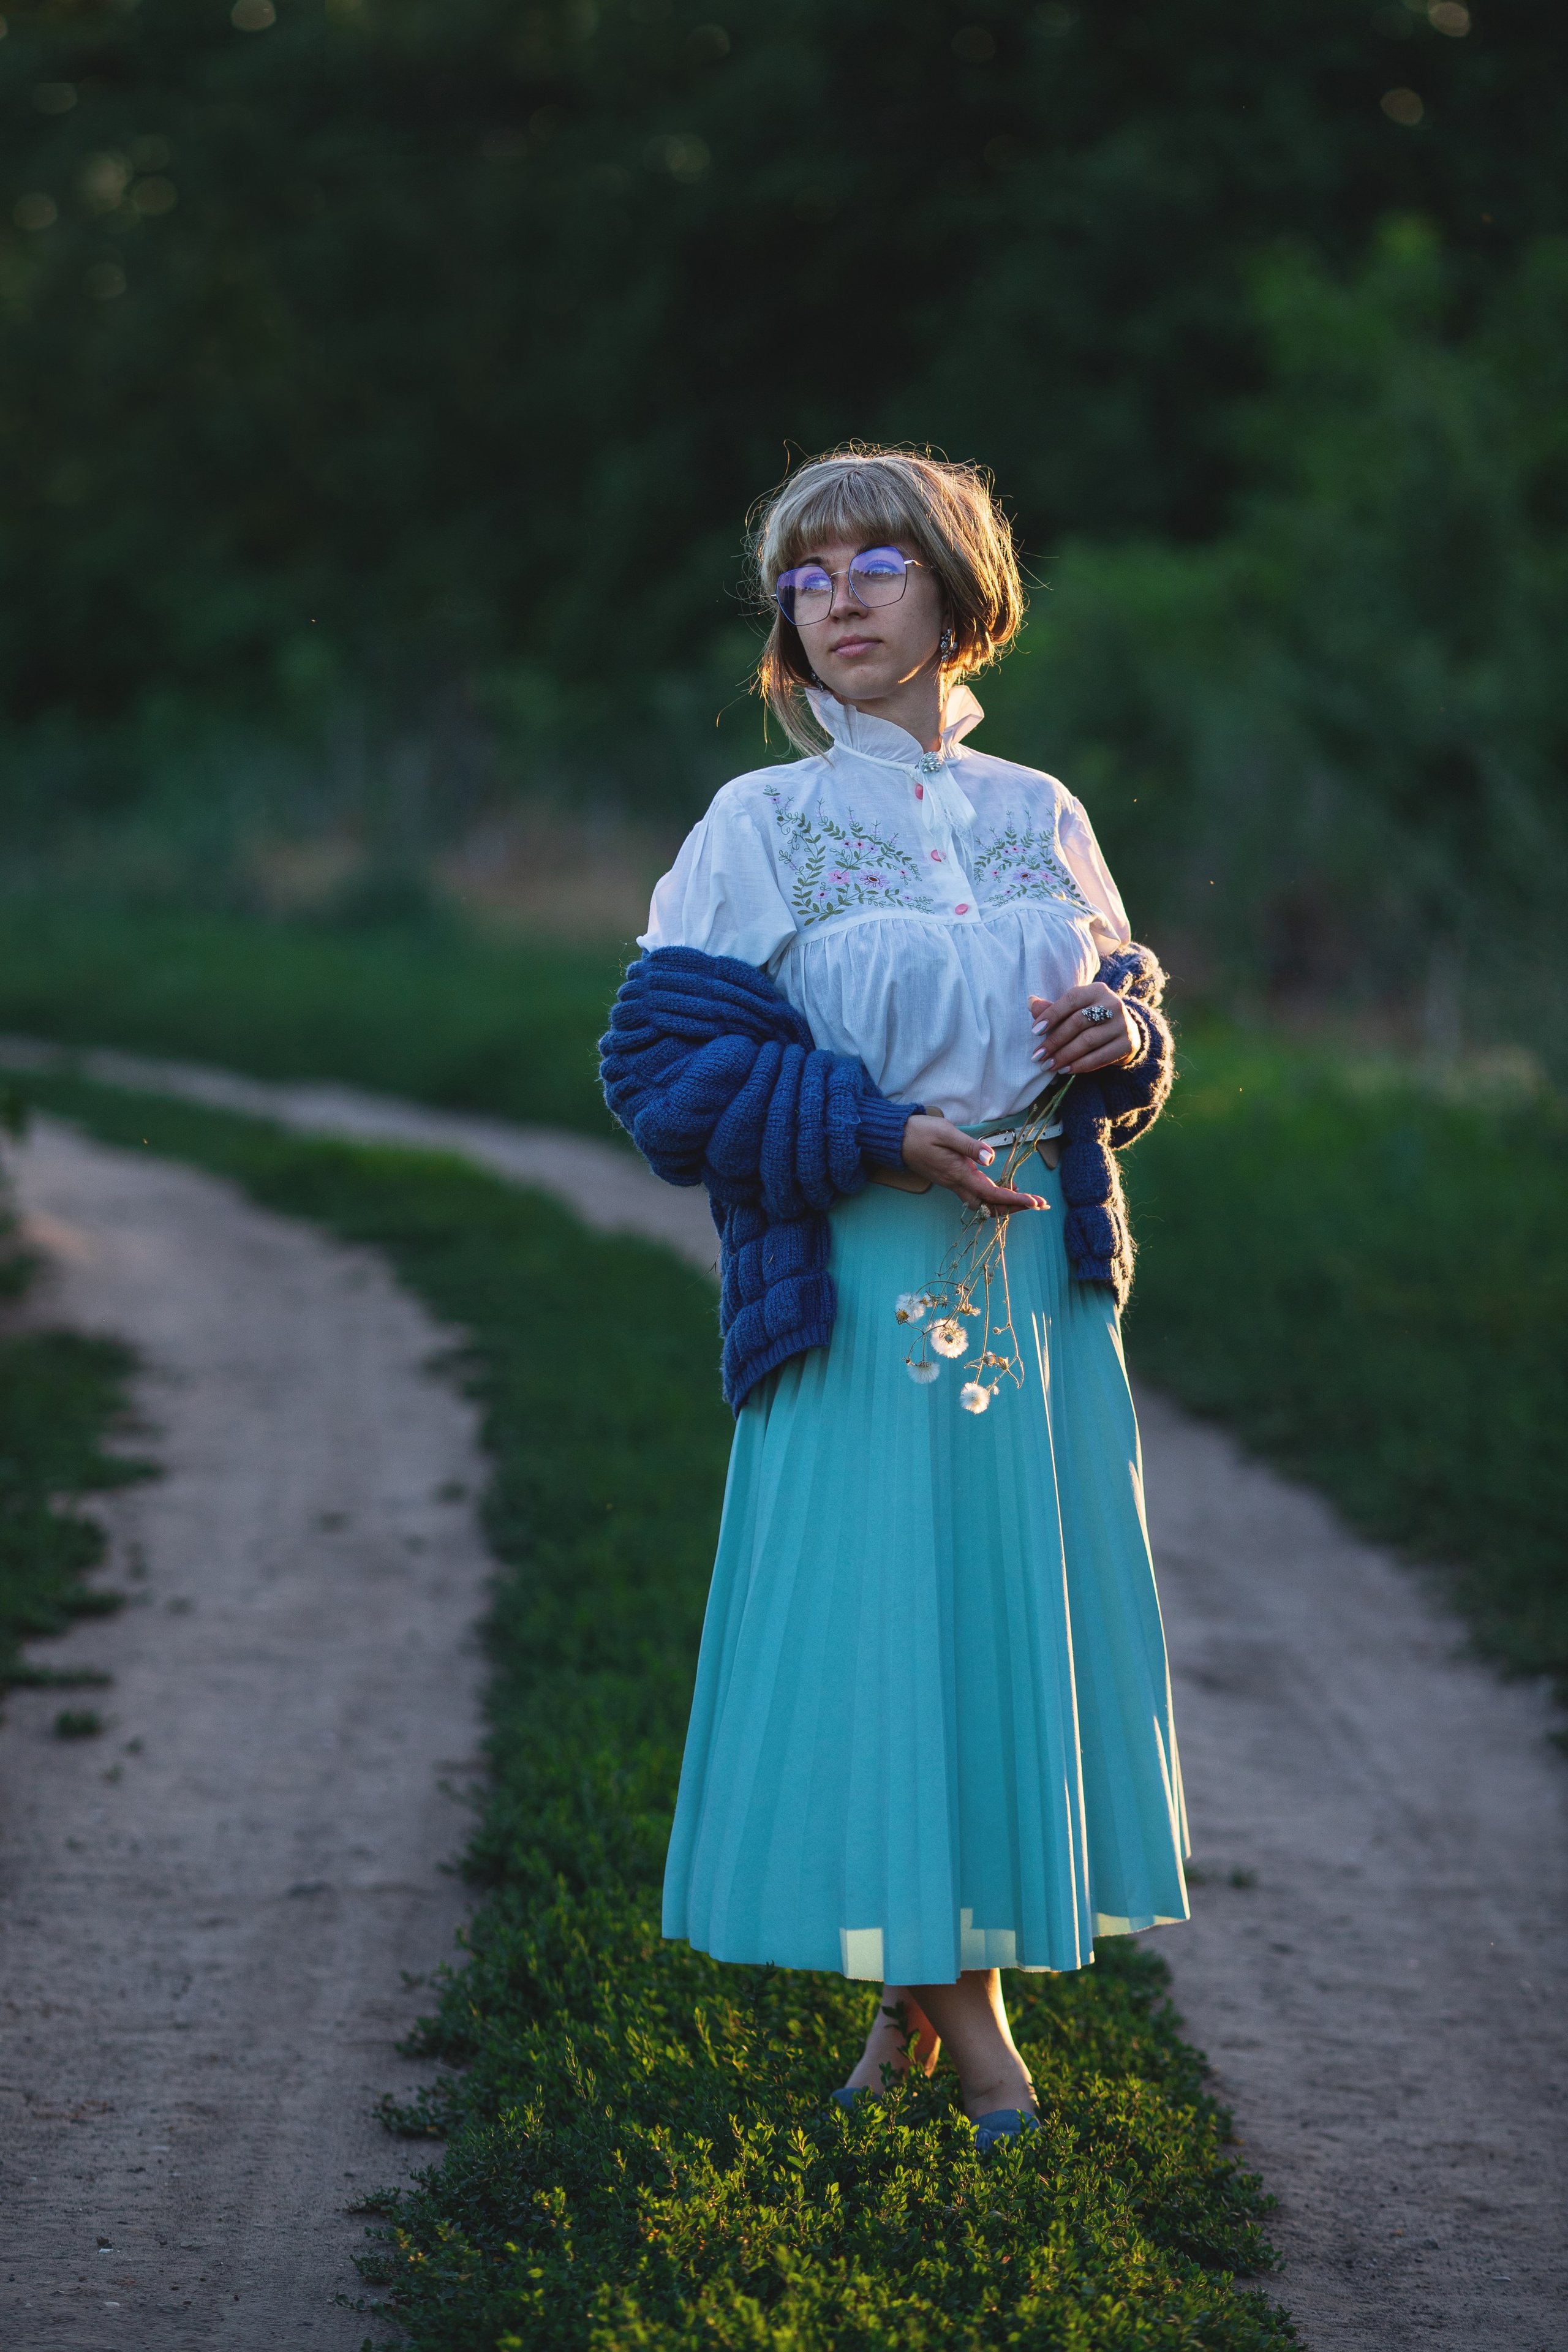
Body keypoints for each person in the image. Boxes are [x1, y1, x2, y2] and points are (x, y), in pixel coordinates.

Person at [601, 447, 1188, 2153]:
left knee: (987, 1638)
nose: (839, 599)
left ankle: (898, 2023)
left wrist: (1119, 1044)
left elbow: (1124, 1023)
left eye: (876, 563)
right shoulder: (762, 826)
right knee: (877, 1647)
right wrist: (869, 1131)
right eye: (807, 574)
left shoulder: (1040, 812)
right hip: (856, 1282)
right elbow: (660, 1071)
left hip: (1041, 1290)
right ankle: (990, 2060)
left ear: (954, 588)